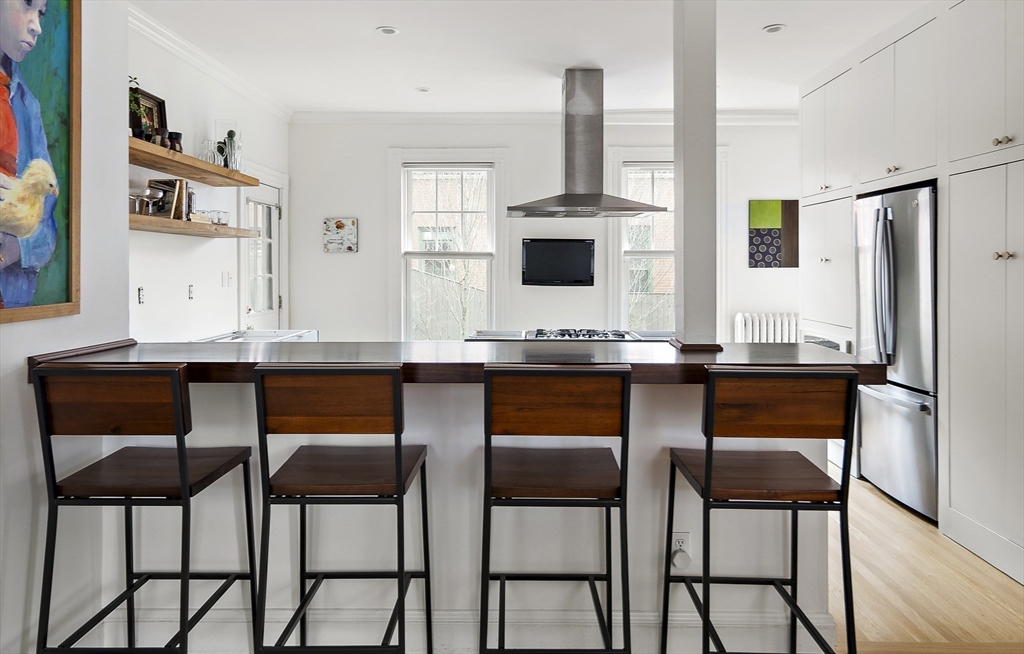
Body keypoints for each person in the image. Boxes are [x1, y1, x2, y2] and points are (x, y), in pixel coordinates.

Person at [0, 0, 57, 309]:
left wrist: (14, 247)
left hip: (11, 305)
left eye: (41, 13)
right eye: (27, 4)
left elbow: (47, 230)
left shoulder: (26, 104)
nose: (36, 25)